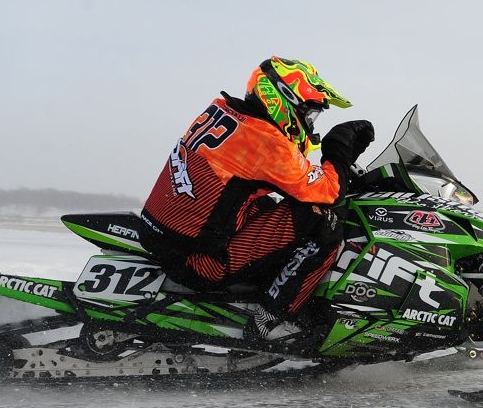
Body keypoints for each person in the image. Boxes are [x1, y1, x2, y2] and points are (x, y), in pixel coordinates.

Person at [139, 56, 374, 342]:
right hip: (199, 261)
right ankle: (270, 319)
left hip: (166, 234)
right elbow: (329, 192)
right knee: (323, 220)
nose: (310, 124)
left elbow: (282, 175)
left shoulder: (224, 112)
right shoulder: (265, 142)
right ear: (283, 100)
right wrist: (338, 148)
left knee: (273, 206)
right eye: (310, 114)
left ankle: (268, 284)